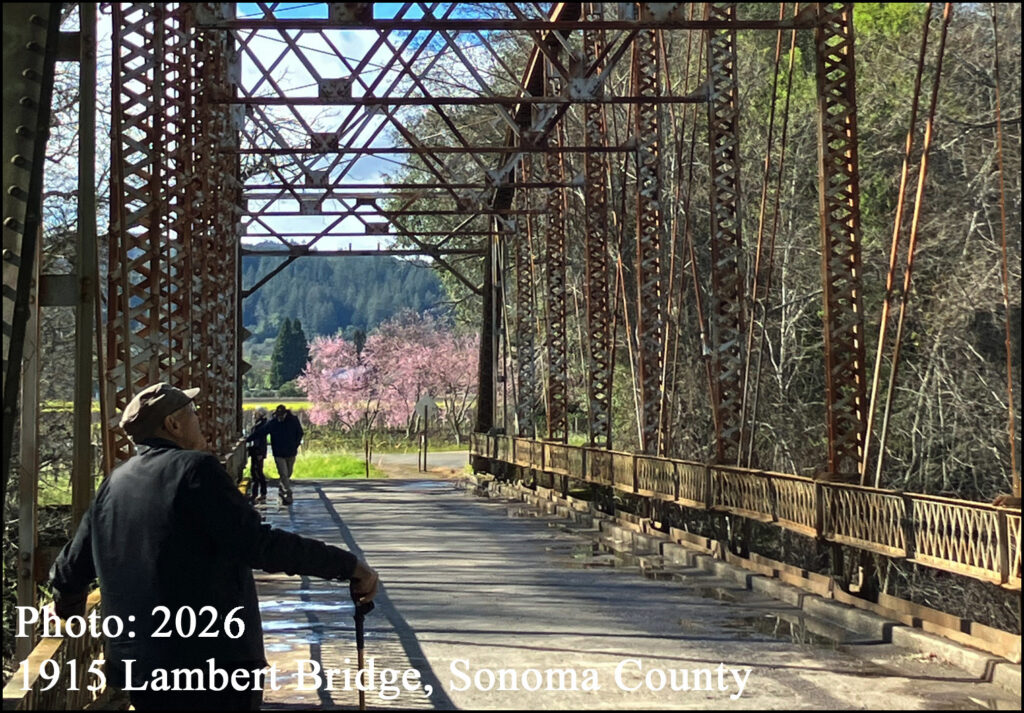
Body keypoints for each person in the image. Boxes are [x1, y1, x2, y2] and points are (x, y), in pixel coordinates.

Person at [49, 383, 379, 711]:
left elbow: (68, 571)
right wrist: (348, 566)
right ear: (172, 425)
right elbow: (260, 545)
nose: (201, 420)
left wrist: (70, 609)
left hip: (140, 670)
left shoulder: (114, 483)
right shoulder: (195, 471)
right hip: (210, 670)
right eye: (192, 414)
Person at [251, 404, 304, 505]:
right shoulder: (274, 422)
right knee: (283, 473)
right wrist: (249, 439)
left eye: (281, 415)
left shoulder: (293, 420)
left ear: (285, 413)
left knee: (288, 473)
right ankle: (288, 493)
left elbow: (300, 433)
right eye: (278, 415)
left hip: (291, 452)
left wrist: (295, 444)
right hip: (278, 452)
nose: (280, 417)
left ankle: (282, 486)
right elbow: (262, 432)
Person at [246, 407, 269, 503]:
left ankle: (260, 493)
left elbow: (258, 438)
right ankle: (257, 493)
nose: (254, 415)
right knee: (255, 472)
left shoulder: (261, 425)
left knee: (257, 472)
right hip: (256, 450)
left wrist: (259, 452)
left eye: (256, 413)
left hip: (258, 451)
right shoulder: (260, 424)